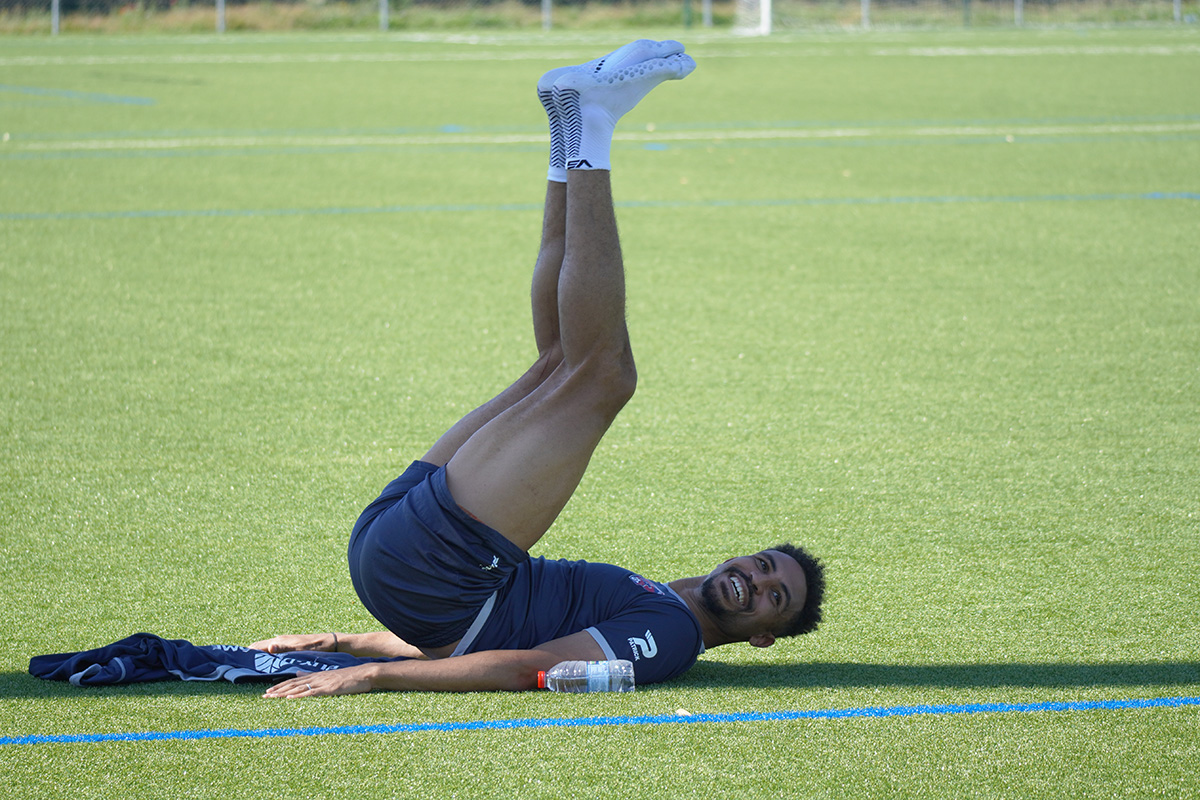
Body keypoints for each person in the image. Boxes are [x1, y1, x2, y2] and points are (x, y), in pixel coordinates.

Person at [253, 40, 825, 698]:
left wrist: (377, 675)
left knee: (605, 379)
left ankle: (593, 126)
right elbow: (494, 628)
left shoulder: (670, 640)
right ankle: (568, 127)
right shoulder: (657, 598)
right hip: (401, 554)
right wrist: (342, 642)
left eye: (771, 596)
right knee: (557, 362)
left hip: (428, 576)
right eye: (761, 566)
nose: (753, 581)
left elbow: (536, 668)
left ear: (763, 636)